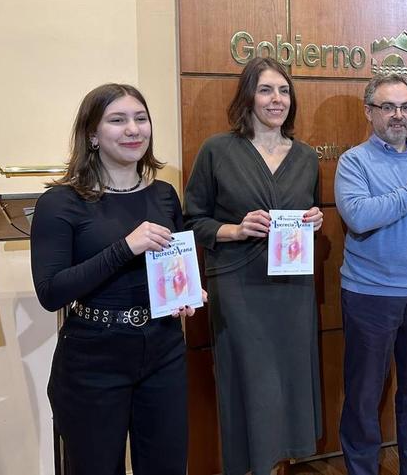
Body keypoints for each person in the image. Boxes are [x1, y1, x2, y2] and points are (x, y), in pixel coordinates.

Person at [31, 83, 200, 475]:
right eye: (118, 120)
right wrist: (125, 247)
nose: (133, 129)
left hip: (164, 350)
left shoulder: (164, 194)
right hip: (92, 357)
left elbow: (171, 266)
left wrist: (185, 289)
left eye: (141, 119)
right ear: (92, 134)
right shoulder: (60, 202)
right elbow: (52, 292)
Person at [184, 57, 323, 475]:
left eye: (283, 91)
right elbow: (192, 221)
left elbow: (306, 213)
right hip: (239, 285)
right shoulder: (217, 150)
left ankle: (281, 463)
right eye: (266, 90)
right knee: (249, 380)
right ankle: (251, 467)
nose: (276, 99)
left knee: (290, 377)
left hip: (293, 286)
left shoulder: (305, 156)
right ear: (248, 96)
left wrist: (315, 221)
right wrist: (235, 229)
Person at [335, 73, 407, 475]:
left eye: (404, 107)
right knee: (365, 395)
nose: (397, 115)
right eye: (387, 107)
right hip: (370, 295)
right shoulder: (353, 161)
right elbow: (360, 217)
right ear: (370, 112)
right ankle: (362, 469)